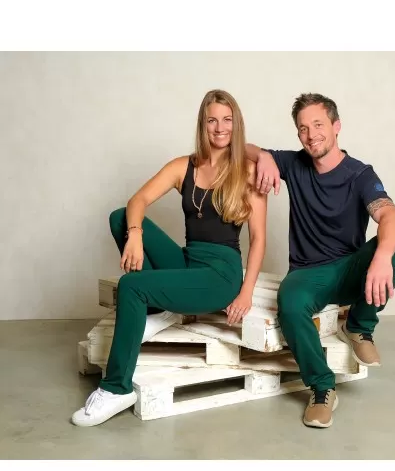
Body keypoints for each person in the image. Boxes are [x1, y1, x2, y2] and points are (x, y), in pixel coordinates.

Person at [72, 90, 267, 427]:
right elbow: (138, 200)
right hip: (188, 261)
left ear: (236, 124)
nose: (220, 127)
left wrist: (246, 292)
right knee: (121, 218)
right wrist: (135, 234)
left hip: (220, 275)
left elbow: (260, 239)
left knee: (132, 286)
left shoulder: (248, 171)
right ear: (202, 125)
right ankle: (156, 311)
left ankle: (117, 388)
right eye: (212, 120)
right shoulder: (184, 166)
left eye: (227, 120)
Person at [246, 93, 395, 429]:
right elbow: (239, 147)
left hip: (350, 269)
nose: (311, 135)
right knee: (290, 302)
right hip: (307, 273)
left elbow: (390, 216)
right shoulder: (293, 163)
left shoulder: (360, 174)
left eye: (318, 125)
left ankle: (360, 327)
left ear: (336, 126)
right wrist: (263, 155)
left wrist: (381, 256)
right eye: (303, 128)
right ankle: (322, 388)